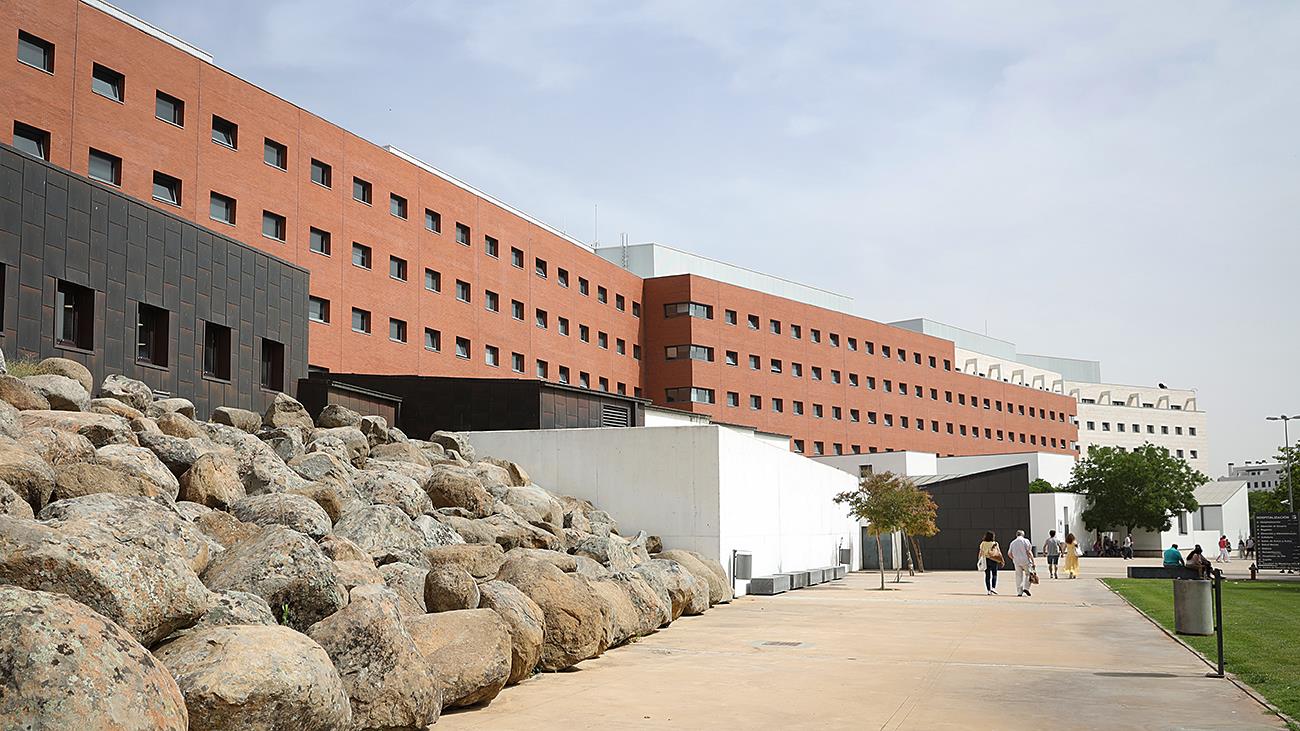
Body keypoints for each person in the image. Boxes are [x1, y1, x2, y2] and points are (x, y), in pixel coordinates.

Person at [1008, 530, 1036, 597]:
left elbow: (1009, 553)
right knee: (1028, 574)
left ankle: (1019, 592)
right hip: (1026, 560)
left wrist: (1014, 559)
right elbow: (1029, 552)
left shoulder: (1013, 542)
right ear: (1023, 535)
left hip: (1017, 561)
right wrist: (1033, 561)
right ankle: (1026, 588)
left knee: (1018, 576)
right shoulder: (1026, 541)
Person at [978, 531, 1003, 595]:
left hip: (985, 560)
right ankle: (993, 588)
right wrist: (1001, 560)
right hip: (994, 560)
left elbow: (980, 552)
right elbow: (999, 552)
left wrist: (979, 560)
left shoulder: (983, 543)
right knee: (994, 574)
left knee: (987, 575)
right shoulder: (995, 543)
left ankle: (988, 590)